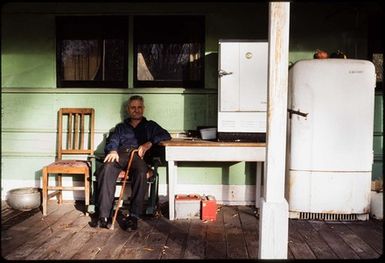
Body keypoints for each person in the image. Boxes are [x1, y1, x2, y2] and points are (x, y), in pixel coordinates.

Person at [91, 95, 171, 230]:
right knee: (107, 168)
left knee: (141, 172)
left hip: (138, 157)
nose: (136, 110)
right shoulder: (121, 127)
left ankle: (133, 216)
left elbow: (165, 135)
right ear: (128, 109)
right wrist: (112, 150)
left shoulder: (150, 125)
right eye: (133, 107)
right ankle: (104, 216)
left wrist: (148, 144)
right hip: (120, 154)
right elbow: (114, 140)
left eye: (139, 107)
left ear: (143, 109)